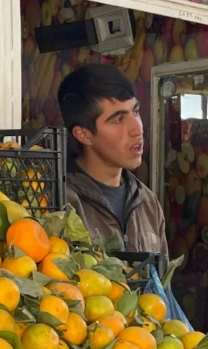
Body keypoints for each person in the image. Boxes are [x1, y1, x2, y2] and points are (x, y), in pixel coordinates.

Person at [57, 63, 167, 255]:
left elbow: (162, 282)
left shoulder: (148, 203)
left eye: (136, 111)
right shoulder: (61, 204)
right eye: (118, 119)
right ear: (84, 135)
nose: (137, 129)